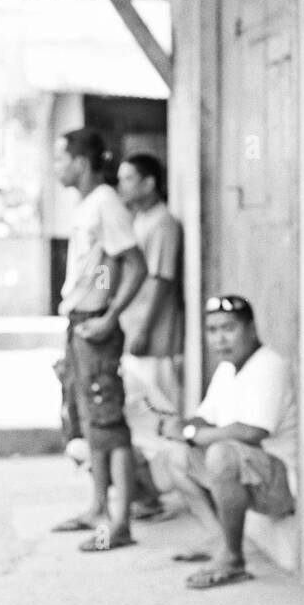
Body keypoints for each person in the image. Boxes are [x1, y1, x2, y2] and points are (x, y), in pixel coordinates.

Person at [151, 295, 297, 589]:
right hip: (250, 476)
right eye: (212, 330)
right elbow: (204, 418)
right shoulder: (227, 369)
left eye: (228, 328)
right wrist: (179, 426)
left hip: (279, 485)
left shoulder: (269, 365)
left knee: (220, 454)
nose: (220, 338)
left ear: (251, 329)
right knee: (175, 455)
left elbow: (252, 432)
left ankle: (233, 559)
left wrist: (193, 435)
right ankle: (218, 542)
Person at [50, 128, 147, 553]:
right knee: (90, 422)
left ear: (82, 161)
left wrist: (108, 315)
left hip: (95, 325)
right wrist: (97, 297)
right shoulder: (89, 205)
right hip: (81, 321)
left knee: (109, 423)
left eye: (61, 158)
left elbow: (134, 263)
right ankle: (96, 507)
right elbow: (106, 265)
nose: (57, 167)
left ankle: (120, 522)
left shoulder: (106, 202)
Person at [116, 153, 185, 413]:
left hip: (154, 336)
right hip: (131, 327)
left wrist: (145, 329)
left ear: (149, 183)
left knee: (159, 407)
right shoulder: (138, 220)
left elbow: (162, 278)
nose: (122, 185)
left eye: (129, 178)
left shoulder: (163, 222)